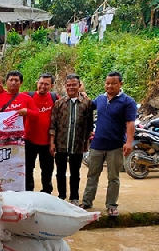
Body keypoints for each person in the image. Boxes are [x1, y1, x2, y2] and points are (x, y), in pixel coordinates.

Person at [80, 71, 137, 216]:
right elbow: (87, 106)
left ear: (120, 84)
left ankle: (111, 205)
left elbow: (130, 123)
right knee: (92, 175)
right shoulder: (100, 99)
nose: (109, 86)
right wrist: (82, 91)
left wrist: (129, 142)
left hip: (116, 145)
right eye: (107, 83)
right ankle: (86, 202)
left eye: (113, 83)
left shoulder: (127, 102)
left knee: (113, 177)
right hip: (97, 144)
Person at [0, 72, 59, 193]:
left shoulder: (54, 98)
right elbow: (11, 94)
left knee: (47, 169)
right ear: (37, 83)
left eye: (47, 84)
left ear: (51, 85)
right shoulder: (28, 96)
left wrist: (82, 94)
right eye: (41, 83)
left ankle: (46, 192)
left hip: (47, 141)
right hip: (29, 139)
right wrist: (0, 91)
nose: (43, 86)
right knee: (28, 168)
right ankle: (29, 191)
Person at [49, 74, 94, 205]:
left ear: (79, 86)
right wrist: (52, 143)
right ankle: (62, 196)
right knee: (60, 172)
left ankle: (74, 198)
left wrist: (86, 142)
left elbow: (89, 125)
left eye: (74, 85)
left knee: (75, 173)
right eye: (68, 85)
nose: (71, 87)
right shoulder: (59, 103)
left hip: (77, 144)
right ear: (65, 86)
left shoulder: (87, 103)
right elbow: (53, 124)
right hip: (61, 143)